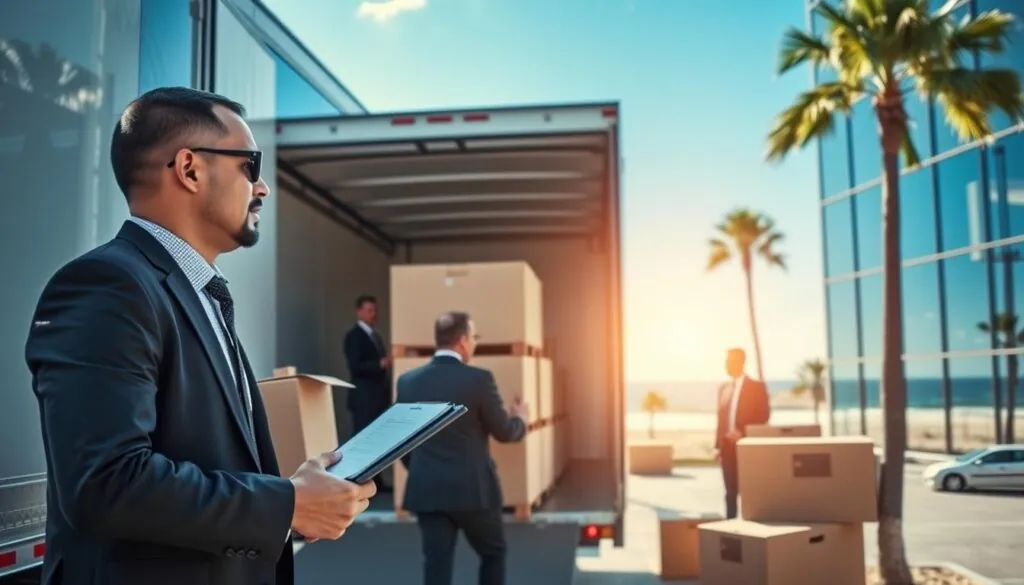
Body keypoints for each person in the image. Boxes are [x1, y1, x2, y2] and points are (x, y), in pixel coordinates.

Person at [24, 87, 376, 585]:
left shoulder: (195, 291)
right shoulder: (107, 285)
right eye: (250, 165)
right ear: (189, 169)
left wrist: (295, 494)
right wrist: (288, 504)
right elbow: (107, 482)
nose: (262, 187)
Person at [396, 311, 529, 585]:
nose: (475, 344)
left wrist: (422, 468)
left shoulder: (407, 382)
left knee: (436, 565)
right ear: (463, 341)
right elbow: (504, 432)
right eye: (474, 338)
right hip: (473, 492)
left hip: (427, 490)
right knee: (493, 553)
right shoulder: (479, 379)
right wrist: (521, 420)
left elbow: (401, 443)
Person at [343, 294, 393, 492]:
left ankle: (376, 482)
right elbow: (356, 366)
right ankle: (358, 483)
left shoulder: (375, 335)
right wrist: (381, 364)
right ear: (359, 312)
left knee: (377, 441)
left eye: (375, 310)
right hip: (364, 398)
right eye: (370, 310)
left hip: (377, 398)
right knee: (363, 440)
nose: (374, 314)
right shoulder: (354, 336)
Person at [714, 347, 770, 519]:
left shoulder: (756, 387)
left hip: (747, 447)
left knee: (749, 492)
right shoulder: (724, 388)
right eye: (726, 361)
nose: (726, 364)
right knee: (729, 493)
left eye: (730, 361)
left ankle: (751, 527)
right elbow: (720, 420)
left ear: (741, 362)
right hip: (727, 449)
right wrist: (717, 447)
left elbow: (763, 415)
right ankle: (729, 526)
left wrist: (742, 432)